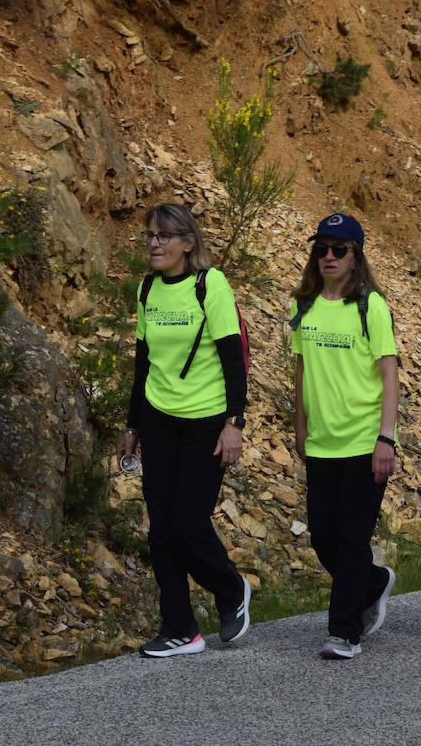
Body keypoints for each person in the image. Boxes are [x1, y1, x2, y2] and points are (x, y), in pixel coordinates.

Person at [118, 203, 252, 657]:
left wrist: (235, 422)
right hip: (158, 419)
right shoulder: (148, 289)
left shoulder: (208, 285)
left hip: (205, 421)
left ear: (188, 243)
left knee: (188, 524)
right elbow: (143, 362)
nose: (154, 243)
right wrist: (132, 426)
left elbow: (234, 359)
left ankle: (231, 588)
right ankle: (179, 627)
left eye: (164, 236)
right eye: (149, 236)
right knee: (161, 531)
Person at [290, 213, 400, 660]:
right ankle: (372, 583)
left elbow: (389, 376)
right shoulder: (305, 305)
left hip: (363, 442)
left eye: (339, 250)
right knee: (322, 537)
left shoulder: (370, 306)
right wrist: (299, 426)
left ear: (357, 257)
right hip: (321, 442)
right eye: (322, 249)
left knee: (351, 539)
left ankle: (344, 631)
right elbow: (300, 373)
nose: (329, 257)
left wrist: (385, 439)